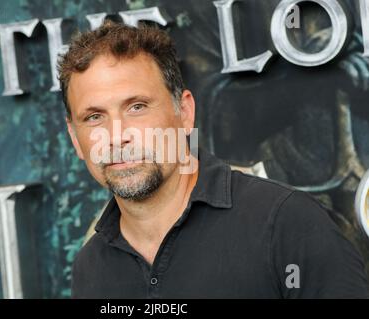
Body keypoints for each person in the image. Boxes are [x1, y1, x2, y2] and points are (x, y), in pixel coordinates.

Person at [57, 21, 369, 298]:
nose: (117, 135)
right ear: (75, 139)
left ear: (185, 113)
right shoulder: (91, 268)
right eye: (95, 116)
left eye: (137, 107)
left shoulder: (288, 226)